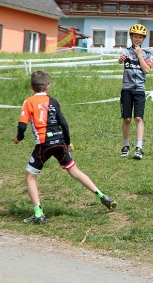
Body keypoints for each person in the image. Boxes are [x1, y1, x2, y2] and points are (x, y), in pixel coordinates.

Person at [13, 70, 117, 225]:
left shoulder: (29, 102)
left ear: (31, 87)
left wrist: (18, 138)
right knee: (75, 171)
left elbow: (22, 126)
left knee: (30, 177)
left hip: (43, 145)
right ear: (48, 86)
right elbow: (64, 124)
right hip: (60, 142)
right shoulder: (53, 101)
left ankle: (38, 214)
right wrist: (67, 142)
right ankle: (102, 196)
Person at [118, 23, 152, 160]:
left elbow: (147, 70)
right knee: (126, 118)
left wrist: (139, 55)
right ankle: (126, 145)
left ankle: (139, 147)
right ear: (131, 37)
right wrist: (120, 60)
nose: (137, 39)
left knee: (138, 118)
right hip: (126, 89)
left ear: (143, 39)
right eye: (135, 36)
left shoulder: (147, 54)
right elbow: (120, 61)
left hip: (139, 90)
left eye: (140, 37)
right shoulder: (126, 52)